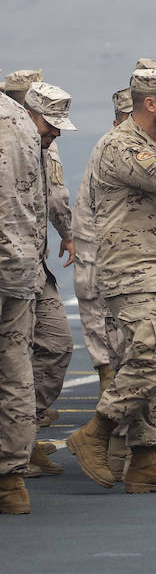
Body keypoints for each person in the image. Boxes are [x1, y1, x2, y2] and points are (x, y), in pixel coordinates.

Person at [67, 65, 156, 494]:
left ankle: (145, 460)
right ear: (150, 103)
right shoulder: (120, 145)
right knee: (152, 356)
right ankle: (96, 433)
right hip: (135, 270)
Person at [19, 82, 77, 447]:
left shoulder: (43, 148)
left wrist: (66, 233)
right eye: (50, 124)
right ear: (28, 116)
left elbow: (56, 196)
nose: (55, 132)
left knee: (57, 343)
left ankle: (23, 429)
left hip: (35, 269)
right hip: (11, 270)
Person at [0, 74, 46, 514]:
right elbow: (37, 200)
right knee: (15, 370)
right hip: (18, 267)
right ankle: (11, 480)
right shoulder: (21, 119)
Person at [71, 89, 134, 395]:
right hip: (98, 248)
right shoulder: (109, 149)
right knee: (101, 319)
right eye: (125, 120)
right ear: (114, 122)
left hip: (121, 251)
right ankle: (108, 381)